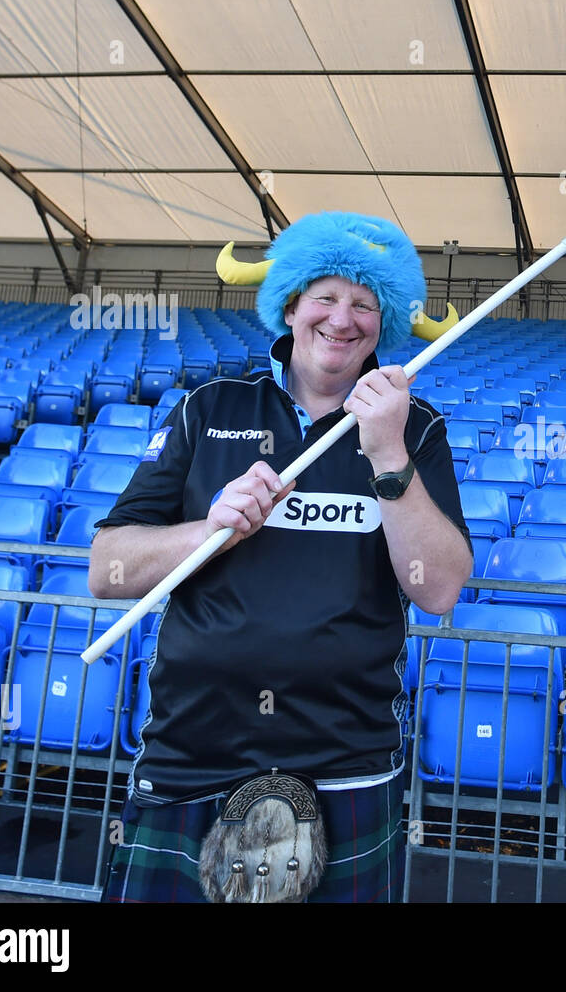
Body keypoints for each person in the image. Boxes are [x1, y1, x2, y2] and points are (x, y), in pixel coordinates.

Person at [90, 211, 473, 902]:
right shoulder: (208, 408)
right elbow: (108, 568)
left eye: (365, 304)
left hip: (346, 763)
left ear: (382, 325)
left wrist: (387, 454)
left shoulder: (417, 427)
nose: (343, 318)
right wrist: (209, 530)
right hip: (193, 752)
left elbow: (439, 589)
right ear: (291, 305)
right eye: (325, 296)